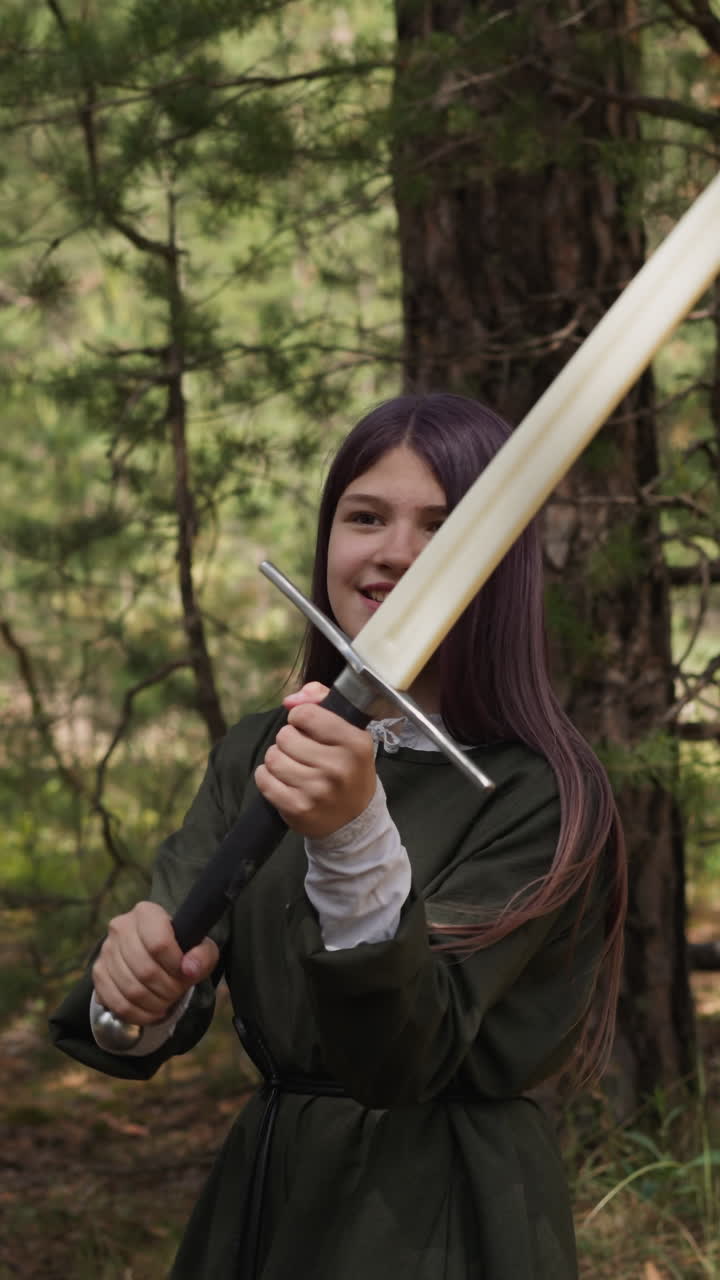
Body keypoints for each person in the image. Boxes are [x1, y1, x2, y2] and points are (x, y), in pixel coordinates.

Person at [50, 392, 627, 1280]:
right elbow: (162, 965)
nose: (395, 552)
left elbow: (408, 1052)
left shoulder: (542, 792)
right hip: (268, 1196)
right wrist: (135, 994)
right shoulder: (261, 747)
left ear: (501, 561)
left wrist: (354, 831)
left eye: (443, 526)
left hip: (446, 1215)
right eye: (366, 517)